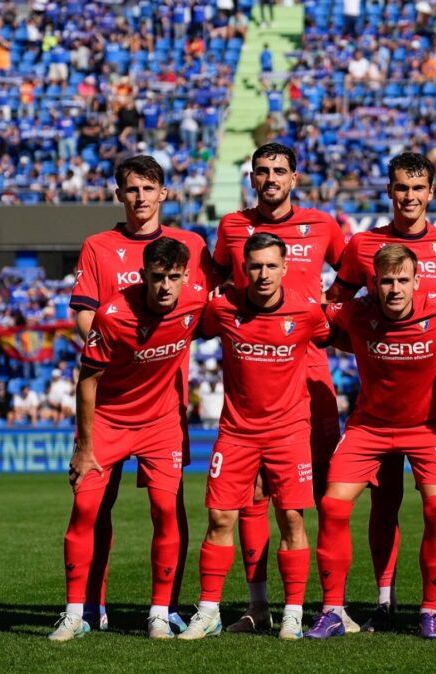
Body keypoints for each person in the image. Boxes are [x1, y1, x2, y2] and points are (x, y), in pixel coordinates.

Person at [326, 152, 436, 632]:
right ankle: (384, 600)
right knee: (382, 501)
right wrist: (375, 346)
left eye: (417, 189)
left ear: (431, 192)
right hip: (377, 399)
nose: (409, 197)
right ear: (389, 192)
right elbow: (336, 306)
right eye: (400, 188)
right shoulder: (362, 245)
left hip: (435, 401)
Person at [68, 155, 218, 634]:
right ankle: (90, 606)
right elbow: (85, 316)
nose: (140, 197)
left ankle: (166, 607)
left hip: (165, 402)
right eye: (131, 189)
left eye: (149, 188)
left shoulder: (191, 245)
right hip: (110, 398)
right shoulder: (99, 246)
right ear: (120, 195)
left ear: (164, 194)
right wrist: (129, 347)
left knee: (168, 504)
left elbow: (210, 306)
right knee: (96, 502)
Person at [214, 142, 347, 633]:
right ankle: (259, 605)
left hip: (311, 378)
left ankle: (332, 606)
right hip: (254, 383)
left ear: (294, 177)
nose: (270, 178)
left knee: (320, 499)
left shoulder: (323, 224)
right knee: (251, 496)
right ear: (252, 178)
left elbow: (350, 275)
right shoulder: (231, 227)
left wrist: (324, 307)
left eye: (278, 171)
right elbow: (217, 284)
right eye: (261, 171)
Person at [307, 244, 436, 640]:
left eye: (402, 280)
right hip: (369, 428)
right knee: (331, 506)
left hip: (428, 429)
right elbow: (311, 315)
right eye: (385, 281)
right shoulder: (354, 312)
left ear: (417, 281)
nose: (394, 288)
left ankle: (431, 611)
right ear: (372, 285)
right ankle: (332, 611)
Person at [49, 237, 205, 641]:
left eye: (174, 277)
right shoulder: (113, 314)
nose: (166, 286)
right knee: (85, 509)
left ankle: (158, 614)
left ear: (186, 276)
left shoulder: (195, 302)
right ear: (143, 276)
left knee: (165, 510)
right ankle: (74, 614)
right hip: (109, 422)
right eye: (158, 277)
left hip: (161, 423)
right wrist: (84, 448)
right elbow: (88, 382)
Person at [178, 233, 331, 641]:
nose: (263, 274)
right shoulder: (223, 309)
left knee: (292, 519)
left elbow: (336, 334)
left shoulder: (306, 312)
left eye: (270, 266)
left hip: (290, 432)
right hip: (236, 432)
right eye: (255, 266)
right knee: (220, 517)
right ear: (244, 269)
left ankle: (293, 613)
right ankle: (209, 610)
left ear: (285, 268)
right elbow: (189, 326)